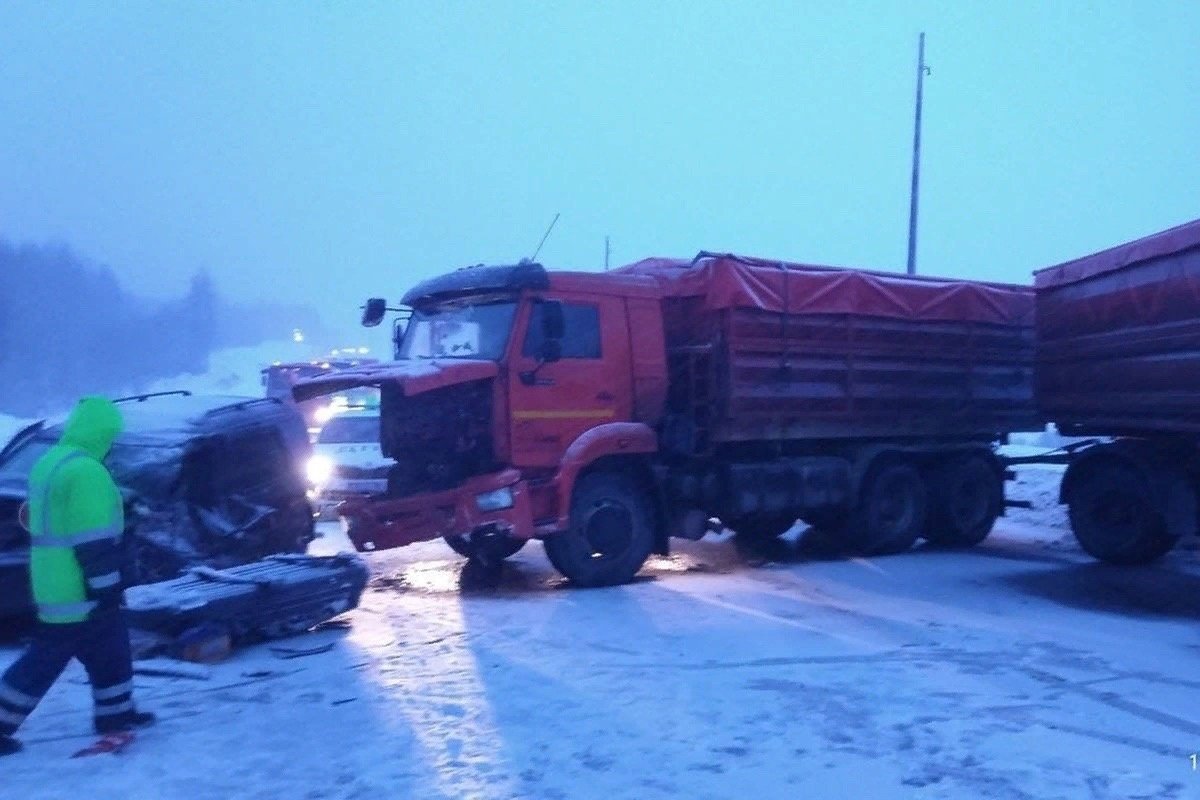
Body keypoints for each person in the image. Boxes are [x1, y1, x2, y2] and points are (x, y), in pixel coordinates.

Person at [0, 397, 154, 756]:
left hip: (53, 582)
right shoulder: (88, 472)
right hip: (81, 585)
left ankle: (116, 715)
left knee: (111, 651)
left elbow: (54, 518)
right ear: (101, 434)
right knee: (44, 660)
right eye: (111, 436)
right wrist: (105, 585)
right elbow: (92, 538)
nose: (112, 443)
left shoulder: (50, 462)